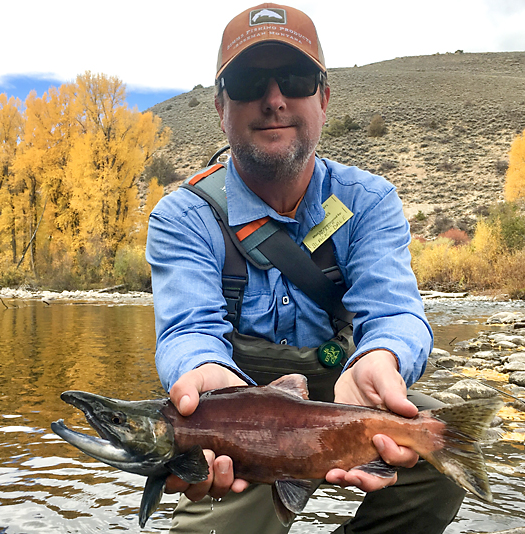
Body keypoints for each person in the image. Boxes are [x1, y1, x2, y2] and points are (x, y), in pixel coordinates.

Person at [145, 3, 466, 533]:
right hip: (240, 416)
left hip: (347, 391)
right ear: (221, 106)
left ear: (323, 97)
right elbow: (189, 333)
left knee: (439, 446)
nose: (274, 100)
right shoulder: (183, 217)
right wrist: (206, 392)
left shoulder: (368, 201)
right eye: (249, 82)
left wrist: (383, 357)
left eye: (294, 79)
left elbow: (396, 313)